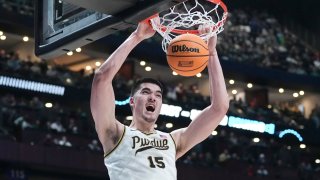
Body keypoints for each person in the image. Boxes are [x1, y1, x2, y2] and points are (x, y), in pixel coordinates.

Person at [90, 21, 229, 180]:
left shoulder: (174, 141)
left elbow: (220, 108)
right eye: (146, 92)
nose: (152, 98)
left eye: (158, 95)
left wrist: (211, 53)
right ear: (132, 101)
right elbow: (101, 78)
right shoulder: (115, 133)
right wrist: (137, 36)